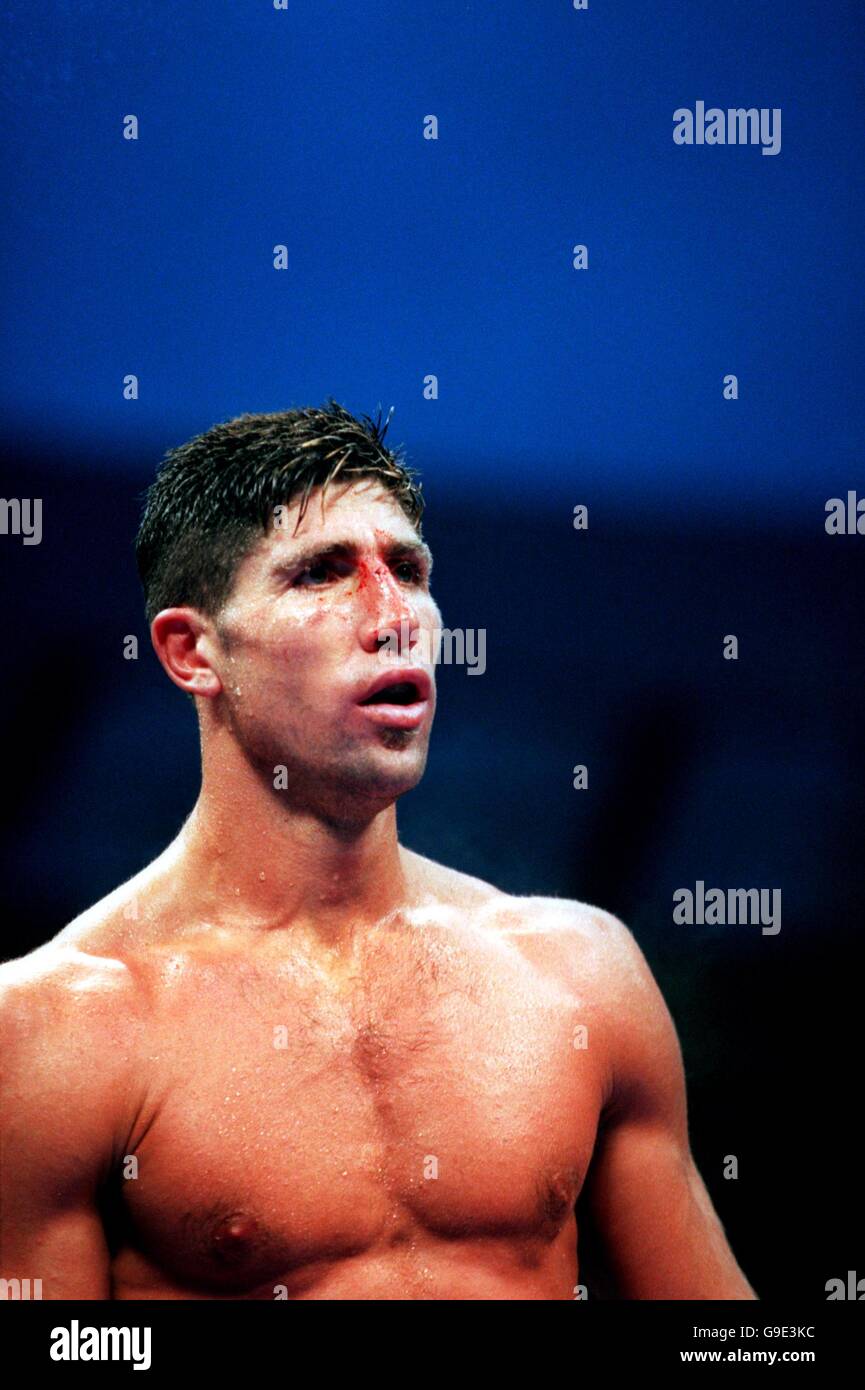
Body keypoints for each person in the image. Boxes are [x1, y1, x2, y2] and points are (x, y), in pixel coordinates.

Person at [0, 401, 756, 1300]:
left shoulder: (577, 974)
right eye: (321, 574)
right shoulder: (55, 1031)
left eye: (407, 568)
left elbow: (725, 1344)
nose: (392, 614)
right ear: (193, 652)